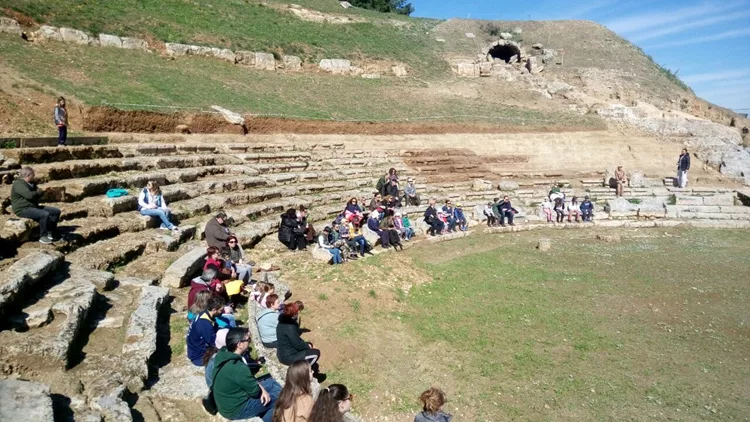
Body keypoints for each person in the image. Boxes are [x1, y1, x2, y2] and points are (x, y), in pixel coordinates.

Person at [213, 327, 282, 422]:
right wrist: (262, 391)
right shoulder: (238, 367)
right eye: (248, 340)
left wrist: (262, 389)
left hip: (227, 402)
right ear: (239, 344)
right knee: (279, 397)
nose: (250, 342)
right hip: (236, 410)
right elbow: (254, 392)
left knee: (272, 383)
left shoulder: (223, 354)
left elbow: (250, 382)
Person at [11, 167, 61, 244]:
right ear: (28, 175)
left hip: (32, 206)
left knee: (56, 211)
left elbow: (38, 193)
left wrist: (38, 192)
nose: (34, 177)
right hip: (22, 209)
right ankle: (43, 236)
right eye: (33, 175)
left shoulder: (31, 183)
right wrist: (38, 192)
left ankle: (50, 233)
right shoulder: (18, 184)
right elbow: (29, 196)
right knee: (44, 214)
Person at [276, 303, 324, 382]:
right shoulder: (290, 327)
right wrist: (308, 347)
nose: (298, 313)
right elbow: (297, 344)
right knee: (316, 353)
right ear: (294, 314)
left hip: (284, 351)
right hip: (288, 357)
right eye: (297, 312)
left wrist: (308, 345)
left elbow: (295, 340)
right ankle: (304, 372)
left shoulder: (281, 323)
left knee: (309, 344)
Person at [187, 296, 224, 366]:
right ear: (214, 310)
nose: (222, 312)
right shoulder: (205, 324)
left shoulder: (204, 313)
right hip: (199, 356)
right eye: (221, 310)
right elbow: (213, 342)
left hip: (193, 350)